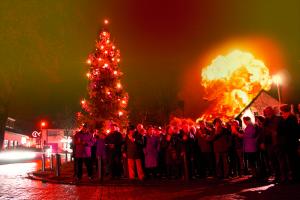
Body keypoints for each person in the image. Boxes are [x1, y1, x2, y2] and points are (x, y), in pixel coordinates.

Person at [278, 104, 299, 182]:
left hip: (291, 142)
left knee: (293, 160)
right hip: (283, 143)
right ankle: (288, 176)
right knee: (286, 160)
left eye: (281, 110)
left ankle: (295, 176)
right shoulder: (281, 119)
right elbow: (279, 130)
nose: (281, 112)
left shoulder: (292, 118)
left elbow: (295, 131)